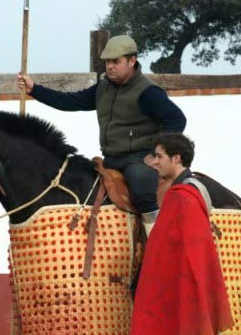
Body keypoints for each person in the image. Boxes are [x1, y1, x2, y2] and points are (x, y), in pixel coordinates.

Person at [17, 35, 186, 235]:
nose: (110, 67)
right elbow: (70, 101)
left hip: (139, 160)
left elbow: (177, 120)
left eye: (116, 62)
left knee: (142, 189)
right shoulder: (103, 88)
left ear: (132, 61)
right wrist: (34, 90)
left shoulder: (148, 92)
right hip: (110, 159)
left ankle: (157, 242)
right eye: (107, 62)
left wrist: (156, 154)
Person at [125, 133, 233, 335]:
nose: (154, 162)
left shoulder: (181, 196)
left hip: (183, 288)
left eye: (159, 156)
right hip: (192, 285)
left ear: (177, 158)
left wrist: (171, 288)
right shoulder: (196, 191)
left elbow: (175, 251)